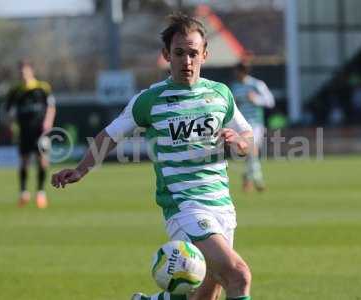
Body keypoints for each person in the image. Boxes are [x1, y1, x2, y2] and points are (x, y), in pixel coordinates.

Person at [52, 13, 253, 300]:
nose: (186, 61)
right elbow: (110, 135)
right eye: (179, 53)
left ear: (205, 55)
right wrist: (81, 169)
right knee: (239, 275)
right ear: (166, 55)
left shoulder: (220, 94)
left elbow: (248, 137)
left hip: (221, 205)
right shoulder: (150, 100)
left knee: (206, 293)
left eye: (193, 53)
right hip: (184, 207)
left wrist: (240, 144)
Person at [6, 60, 56, 208]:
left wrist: (48, 122)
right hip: (24, 131)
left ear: (31, 71)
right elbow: (8, 112)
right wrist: (11, 125)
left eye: (25, 71)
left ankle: (41, 193)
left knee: (43, 161)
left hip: (41, 132)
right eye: (21, 72)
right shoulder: (15, 91)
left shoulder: (43, 88)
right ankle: (23, 193)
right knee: (24, 162)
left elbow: (51, 107)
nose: (23, 74)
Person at [231, 63, 275, 192]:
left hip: (256, 124)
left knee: (252, 151)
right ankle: (256, 179)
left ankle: (251, 177)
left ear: (243, 72)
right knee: (251, 151)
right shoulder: (234, 87)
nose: (236, 74)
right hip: (242, 125)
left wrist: (255, 99)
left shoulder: (256, 84)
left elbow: (270, 101)